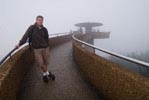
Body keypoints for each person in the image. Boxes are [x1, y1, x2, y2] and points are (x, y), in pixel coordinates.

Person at [16, 15, 55, 83]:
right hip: (37, 49)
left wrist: (47, 45)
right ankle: (49, 74)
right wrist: (19, 44)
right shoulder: (32, 28)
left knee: (45, 63)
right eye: (39, 20)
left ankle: (44, 75)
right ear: (36, 20)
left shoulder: (44, 29)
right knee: (41, 63)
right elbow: (26, 36)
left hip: (45, 48)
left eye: (41, 20)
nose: (40, 21)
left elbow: (47, 38)